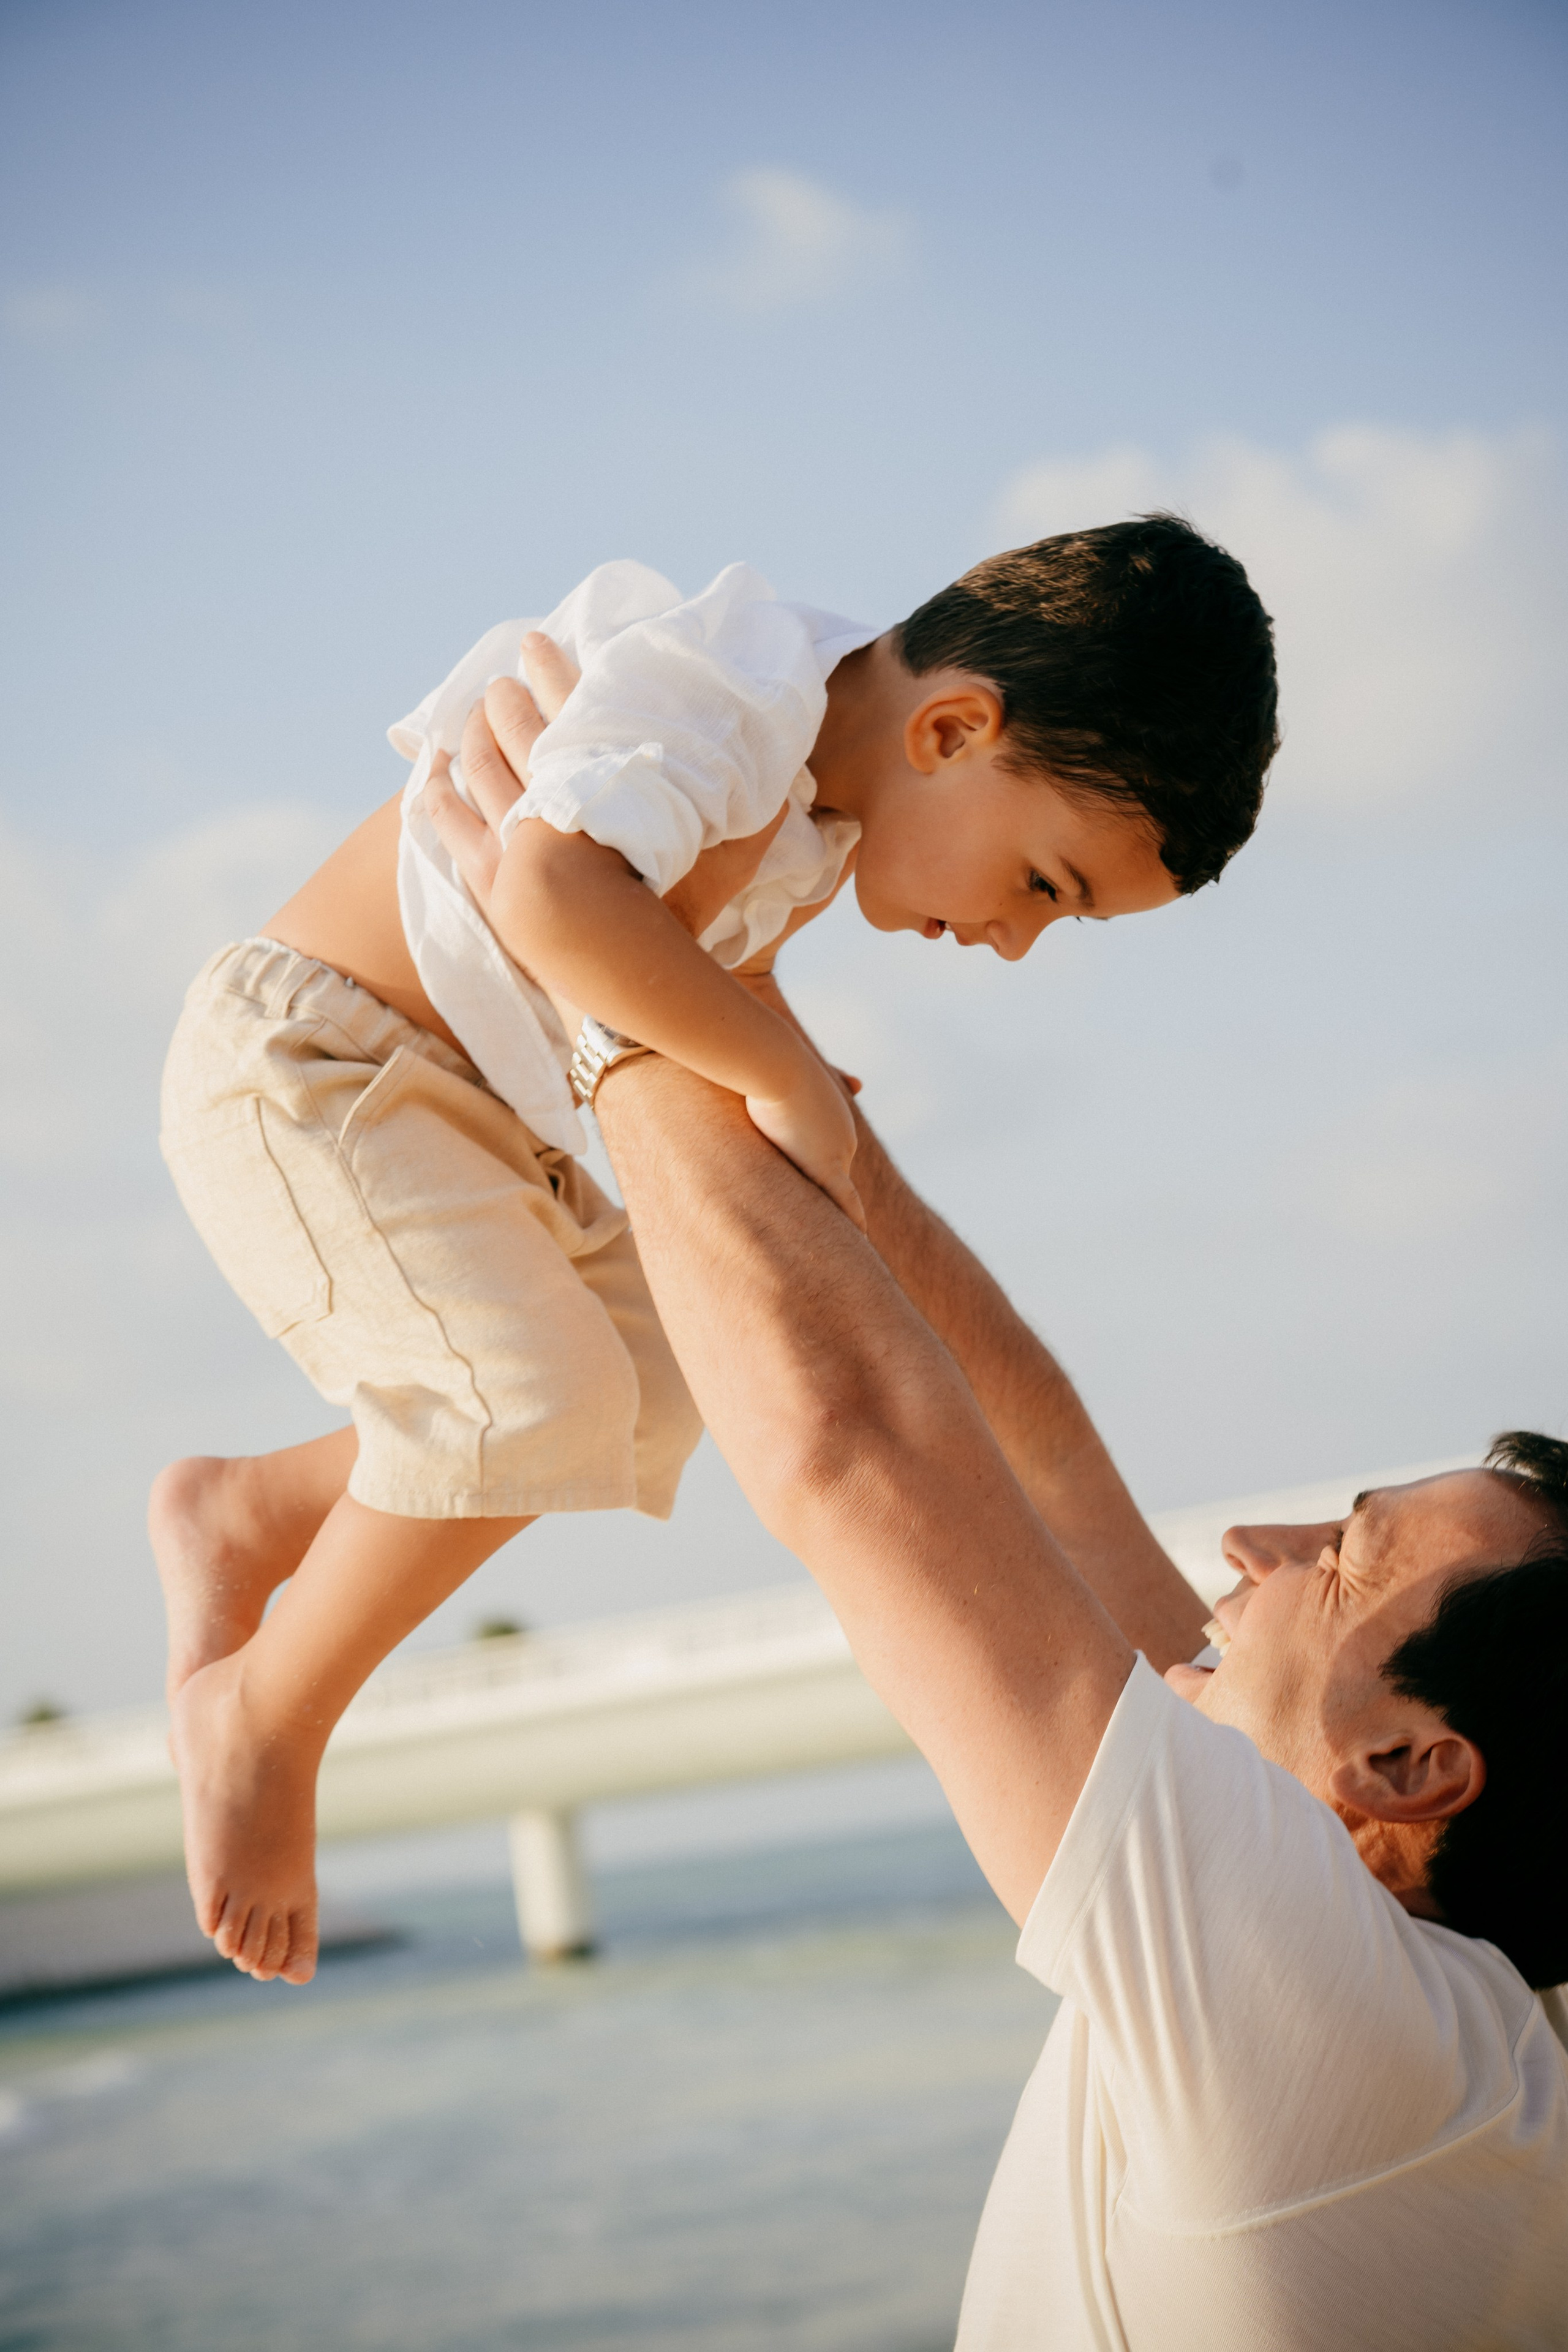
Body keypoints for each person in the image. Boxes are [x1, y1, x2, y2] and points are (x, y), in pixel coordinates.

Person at [428, 706, 1568, 2348]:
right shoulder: (1483, 2011)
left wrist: (586, 993)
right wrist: (747, 1024)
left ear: (1403, 1769)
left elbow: (863, 1457)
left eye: (1339, 1560)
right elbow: (1037, 1471)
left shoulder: (1332, 2023)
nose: (1253, 1543)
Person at [153, 519, 1278, 1983]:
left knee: (666, 1379)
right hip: (323, 1061)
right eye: (1047, 887)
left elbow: (663, 950)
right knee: (538, 1405)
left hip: (482, 1120)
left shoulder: (814, 799)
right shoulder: (740, 693)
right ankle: (265, 1716)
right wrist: (781, 1070)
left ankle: (254, 1511)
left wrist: (755, 1037)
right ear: (952, 726)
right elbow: (550, 893)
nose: (1014, 941)